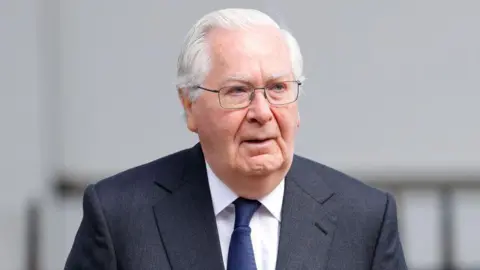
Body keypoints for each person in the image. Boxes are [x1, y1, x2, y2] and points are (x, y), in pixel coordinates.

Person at [65, 8, 408, 270]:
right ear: (190, 105)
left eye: (277, 88)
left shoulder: (364, 219)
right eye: (238, 91)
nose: (262, 112)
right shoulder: (119, 216)